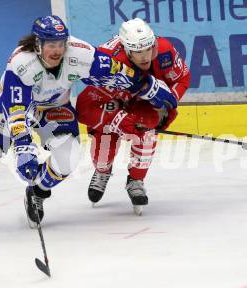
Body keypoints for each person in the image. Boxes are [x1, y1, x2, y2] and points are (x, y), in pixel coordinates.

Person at [0, 15, 161, 231]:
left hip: (55, 108)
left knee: (68, 157)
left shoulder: (80, 53)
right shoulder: (21, 63)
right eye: (51, 44)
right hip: (18, 108)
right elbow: (17, 110)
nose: (57, 50)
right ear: (37, 44)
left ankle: (37, 192)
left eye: (61, 44)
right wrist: (24, 147)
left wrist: (149, 88)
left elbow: (115, 71)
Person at [76, 18, 191, 215]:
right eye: (138, 52)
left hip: (144, 100)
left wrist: (168, 103)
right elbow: (84, 108)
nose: (146, 56)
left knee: (146, 132)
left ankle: (136, 180)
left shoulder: (164, 50)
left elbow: (182, 79)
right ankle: (103, 170)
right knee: (103, 153)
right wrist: (116, 119)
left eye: (148, 49)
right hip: (112, 101)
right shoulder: (107, 61)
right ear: (126, 49)